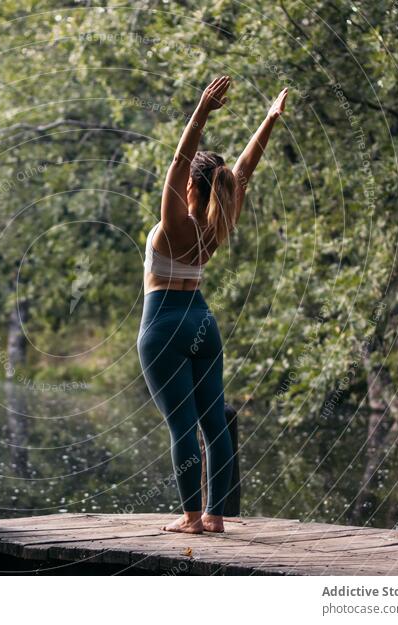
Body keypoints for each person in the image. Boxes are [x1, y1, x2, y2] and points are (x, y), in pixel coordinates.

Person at [137, 76, 288, 534]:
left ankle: (189, 519)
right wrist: (268, 121)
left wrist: (202, 110)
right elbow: (243, 169)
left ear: (191, 189)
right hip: (203, 321)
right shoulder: (218, 220)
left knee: (182, 426)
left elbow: (177, 164)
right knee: (213, 424)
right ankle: (215, 516)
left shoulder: (173, 226)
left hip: (163, 325)